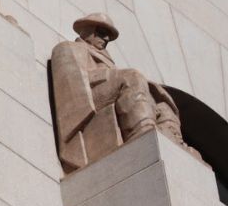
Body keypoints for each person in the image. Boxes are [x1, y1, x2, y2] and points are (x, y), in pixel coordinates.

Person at [51, 13, 198, 172]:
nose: (106, 38)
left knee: (162, 103)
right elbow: (74, 81)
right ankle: (142, 131)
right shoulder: (70, 48)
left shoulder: (108, 60)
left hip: (114, 90)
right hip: (89, 98)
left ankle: (173, 141)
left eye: (109, 35)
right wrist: (113, 76)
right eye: (102, 32)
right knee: (132, 77)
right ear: (87, 30)